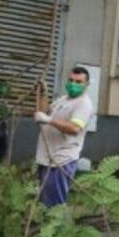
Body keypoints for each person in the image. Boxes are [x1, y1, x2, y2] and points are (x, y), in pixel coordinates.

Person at [33, 67, 94, 207]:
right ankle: (44, 227)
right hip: (46, 157)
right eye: (71, 80)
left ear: (87, 84)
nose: (74, 84)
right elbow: (45, 111)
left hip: (61, 161)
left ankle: (58, 228)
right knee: (43, 202)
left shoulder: (83, 104)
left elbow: (74, 128)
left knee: (55, 206)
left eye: (79, 82)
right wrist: (43, 92)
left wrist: (48, 121)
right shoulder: (63, 99)